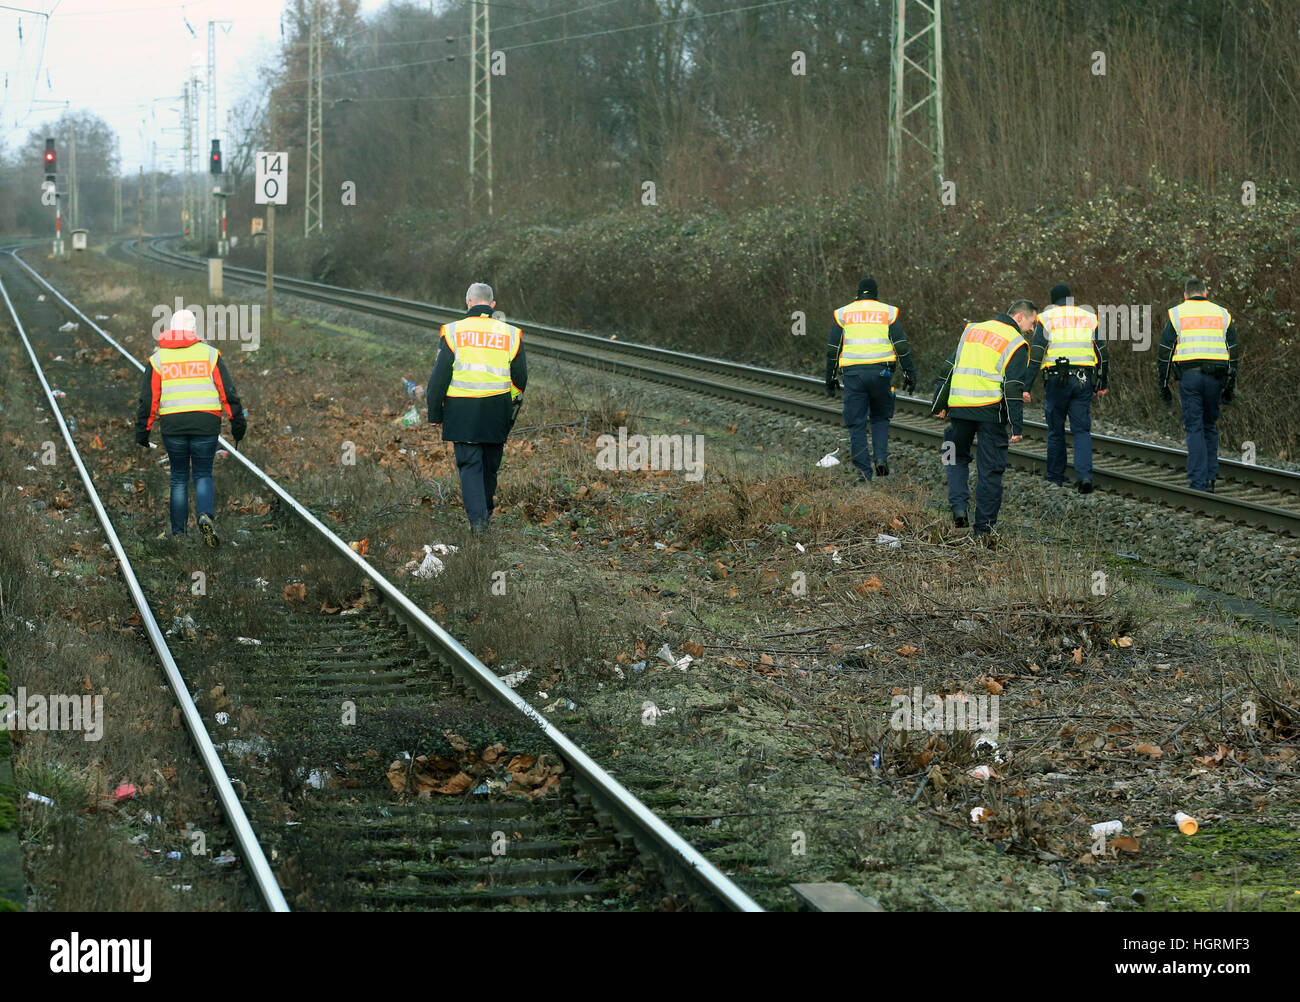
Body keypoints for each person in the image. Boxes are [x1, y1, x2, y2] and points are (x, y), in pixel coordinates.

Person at [134, 308, 246, 546]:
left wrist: (143, 431)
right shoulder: (210, 355)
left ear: (171, 329)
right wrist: (238, 425)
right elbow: (228, 393)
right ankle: (205, 516)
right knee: (203, 474)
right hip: (206, 424)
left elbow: (148, 400)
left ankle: (179, 534)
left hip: (173, 426)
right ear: (194, 329)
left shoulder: (158, 360)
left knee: (178, 478)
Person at [427, 283, 527, 531]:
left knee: (470, 466)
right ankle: (487, 513)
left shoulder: (452, 332)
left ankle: (478, 524)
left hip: (462, 411)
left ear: (468, 302)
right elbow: (520, 378)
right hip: (497, 409)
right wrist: (510, 404)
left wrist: (435, 412)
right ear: (492, 305)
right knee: (490, 466)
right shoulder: (511, 334)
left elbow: (439, 377)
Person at [930, 300, 1034, 539]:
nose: (1031, 329)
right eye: (1031, 322)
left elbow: (950, 366)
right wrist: (1017, 425)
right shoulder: (1017, 342)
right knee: (991, 470)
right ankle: (984, 530)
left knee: (952, 454)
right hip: (990, 414)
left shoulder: (971, 330)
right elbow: (1012, 385)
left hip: (959, 409)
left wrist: (940, 403)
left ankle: (958, 507)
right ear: (1019, 317)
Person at [825, 276, 917, 481]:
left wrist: (829, 377)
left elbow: (833, 349)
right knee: (880, 417)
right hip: (881, 373)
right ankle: (881, 459)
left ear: (857, 293)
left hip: (853, 374)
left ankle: (863, 473)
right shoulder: (887, 312)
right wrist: (910, 373)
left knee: (856, 423)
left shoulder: (844, 313)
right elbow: (901, 346)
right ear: (876, 293)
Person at [1022, 283, 1109, 493]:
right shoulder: (1089, 317)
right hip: (1083, 380)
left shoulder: (1047, 318)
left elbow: (1036, 355)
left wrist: (1026, 386)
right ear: (1070, 299)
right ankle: (1085, 478)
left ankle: (1055, 478)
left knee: (1055, 431)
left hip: (1056, 381)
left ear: (1053, 301)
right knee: (1082, 430)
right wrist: (1102, 382)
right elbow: (1102, 352)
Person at [1157, 277, 1239, 492]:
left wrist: (1163, 384)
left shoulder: (1176, 313)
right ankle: (1211, 478)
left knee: (1194, 428)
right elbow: (1234, 351)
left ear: (1186, 295)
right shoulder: (1222, 313)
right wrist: (1231, 385)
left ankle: (1197, 483)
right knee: (1209, 427)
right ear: (1205, 292)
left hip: (1190, 378)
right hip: (1216, 379)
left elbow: (1164, 353)